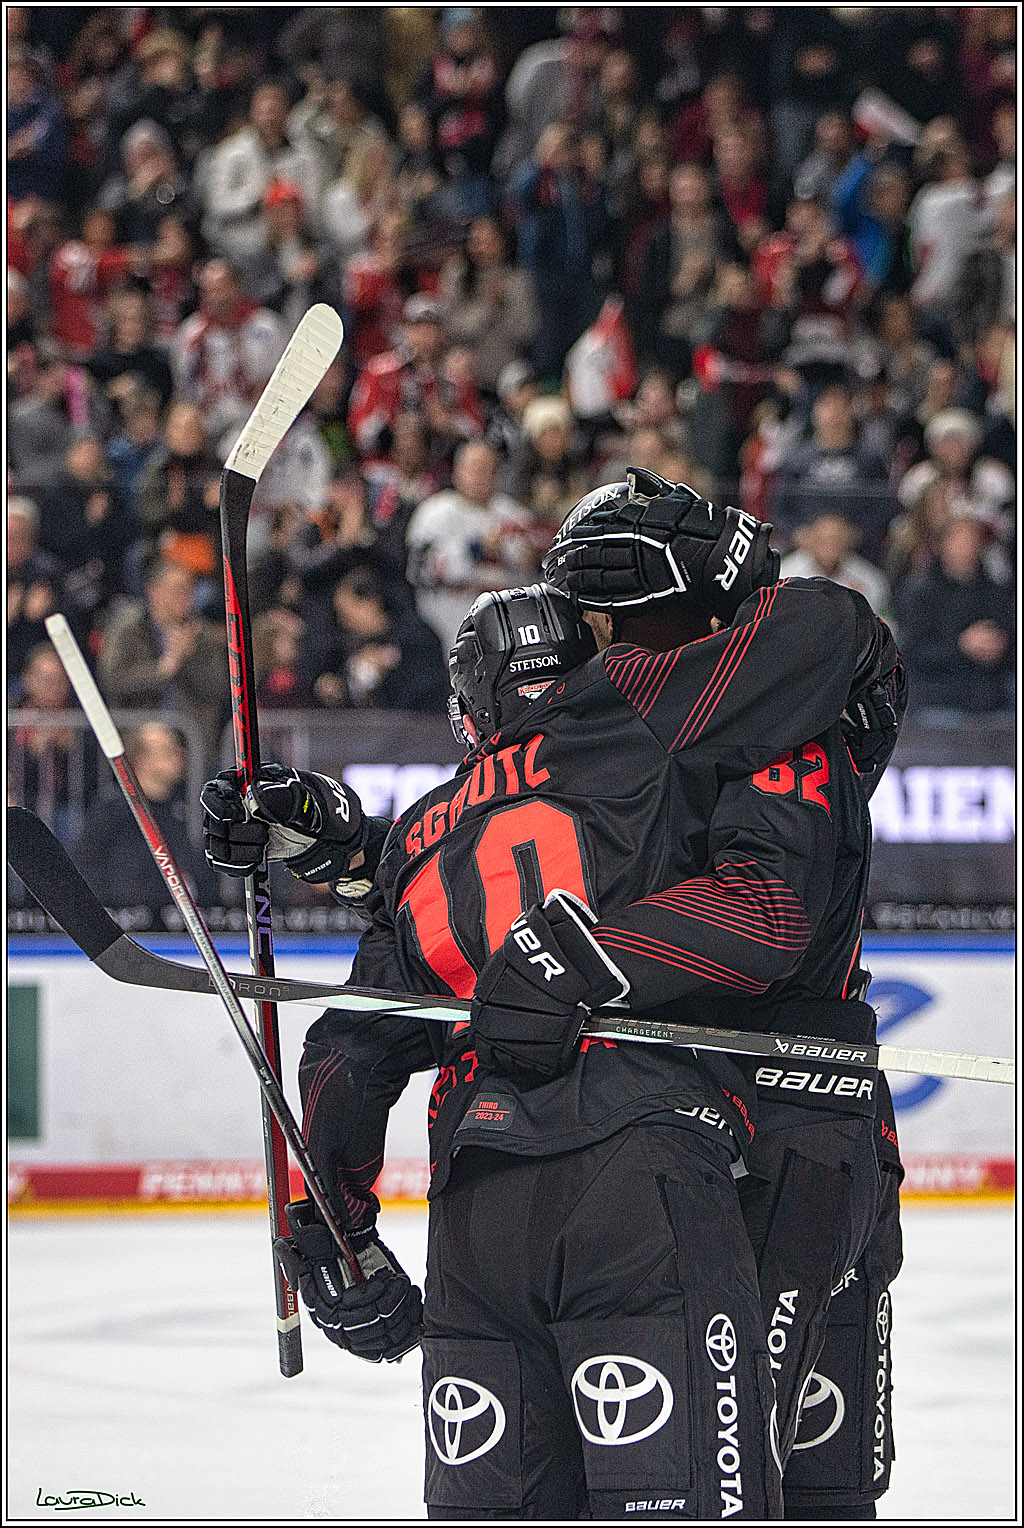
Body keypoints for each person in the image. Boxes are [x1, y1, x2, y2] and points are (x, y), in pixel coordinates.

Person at [203, 487, 899, 1518]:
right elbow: (737, 881)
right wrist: (367, 859)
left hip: (519, 1171)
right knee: (802, 1492)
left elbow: (372, 1026)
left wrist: (326, 1231)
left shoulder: (441, 821)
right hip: (744, 1138)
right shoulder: (656, 733)